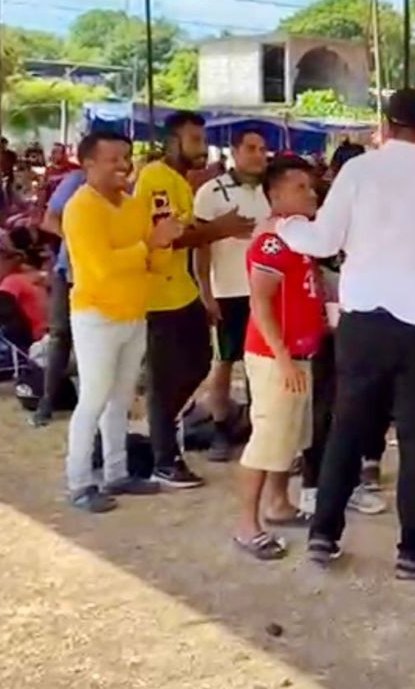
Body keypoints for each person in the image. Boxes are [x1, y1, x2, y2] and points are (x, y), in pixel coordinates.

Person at [278, 88, 415, 579]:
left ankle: (323, 535)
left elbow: (325, 240)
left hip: (365, 317)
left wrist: (287, 227)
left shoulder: (358, 171)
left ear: (387, 126)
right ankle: (412, 551)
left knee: (348, 425)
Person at [62, 131, 183, 513]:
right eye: (112, 158)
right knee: (93, 399)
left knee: (121, 400)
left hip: (134, 313)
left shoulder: (133, 206)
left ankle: (117, 472)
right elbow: (100, 267)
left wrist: (166, 240)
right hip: (97, 315)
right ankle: (79, 482)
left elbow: (152, 262)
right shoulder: (80, 207)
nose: (122, 165)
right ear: (89, 164)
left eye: (126, 157)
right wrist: (149, 246)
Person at [135, 111, 256, 488]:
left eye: (202, 140)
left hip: (182, 290)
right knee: (168, 376)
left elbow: (186, 233)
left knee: (199, 362)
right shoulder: (156, 178)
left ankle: (168, 432)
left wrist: (214, 231)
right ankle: (164, 457)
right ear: (173, 142)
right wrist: (218, 230)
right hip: (160, 293)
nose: (202, 148)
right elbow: (163, 235)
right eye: (195, 140)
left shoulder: (181, 182)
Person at [231, 156, 327, 560]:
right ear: (276, 195)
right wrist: (283, 357)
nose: (311, 194)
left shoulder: (298, 238)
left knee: (288, 436)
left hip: (300, 350)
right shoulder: (271, 242)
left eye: (311, 186)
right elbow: (261, 303)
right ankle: (246, 525)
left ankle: (278, 503)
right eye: (300, 187)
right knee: (268, 439)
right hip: (276, 356)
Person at [193, 128, 272, 461]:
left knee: (263, 364)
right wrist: (206, 292)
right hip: (228, 290)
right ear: (235, 151)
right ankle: (221, 429)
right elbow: (201, 246)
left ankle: (259, 426)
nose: (258, 155)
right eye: (251, 148)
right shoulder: (212, 192)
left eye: (262, 149)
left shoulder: (273, 191)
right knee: (224, 362)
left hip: (265, 291)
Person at [30, 167, 86, 427]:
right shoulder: (76, 181)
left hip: (101, 276)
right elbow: (49, 219)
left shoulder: (125, 190)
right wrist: (81, 238)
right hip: (71, 269)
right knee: (60, 335)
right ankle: (47, 400)